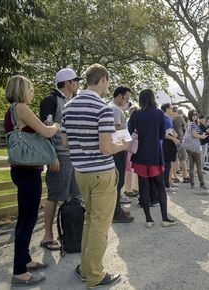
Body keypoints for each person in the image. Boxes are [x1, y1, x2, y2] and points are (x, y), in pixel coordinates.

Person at [61, 64, 129, 288]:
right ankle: (95, 275)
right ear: (103, 79)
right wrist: (125, 144)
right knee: (100, 224)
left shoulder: (68, 107)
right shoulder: (103, 107)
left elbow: (64, 142)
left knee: (90, 220)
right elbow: (106, 148)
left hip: (81, 172)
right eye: (108, 81)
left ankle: (85, 267)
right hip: (102, 172)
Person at [4, 75, 60, 287]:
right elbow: (46, 132)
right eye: (30, 88)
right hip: (27, 172)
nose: (32, 92)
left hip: (23, 170)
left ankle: (25, 260)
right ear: (21, 89)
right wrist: (54, 125)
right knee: (27, 221)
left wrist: (44, 127)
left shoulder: (14, 110)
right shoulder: (21, 108)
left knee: (24, 219)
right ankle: (19, 272)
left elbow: (35, 131)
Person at [38, 68, 83, 251]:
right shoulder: (50, 100)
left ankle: (68, 234)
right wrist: (52, 156)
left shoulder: (69, 101)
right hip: (59, 157)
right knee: (55, 197)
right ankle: (47, 236)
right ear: (67, 83)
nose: (78, 84)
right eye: (75, 81)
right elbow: (45, 131)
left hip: (71, 157)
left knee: (74, 196)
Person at [128, 89, 177, 228]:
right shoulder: (159, 113)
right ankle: (165, 218)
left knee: (143, 188)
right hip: (155, 155)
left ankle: (148, 220)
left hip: (140, 156)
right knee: (160, 186)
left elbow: (129, 131)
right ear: (152, 98)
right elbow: (162, 135)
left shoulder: (136, 114)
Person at [110, 85, 135, 223]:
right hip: (118, 150)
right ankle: (115, 213)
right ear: (119, 96)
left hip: (119, 149)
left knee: (119, 182)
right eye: (126, 98)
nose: (127, 101)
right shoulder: (114, 109)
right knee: (117, 182)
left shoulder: (117, 109)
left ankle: (117, 210)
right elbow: (115, 129)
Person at [186, 109, 209, 189]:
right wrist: (201, 136)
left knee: (191, 166)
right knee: (199, 166)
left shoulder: (188, 123)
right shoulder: (192, 124)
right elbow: (194, 135)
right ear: (190, 115)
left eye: (196, 114)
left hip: (189, 147)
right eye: (193, 114)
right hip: (195, 147)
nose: (195, 116)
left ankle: (192, 183)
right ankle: (202, 183)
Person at [160, 103, 180, 191]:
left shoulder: (168, 118)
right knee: (167, 165)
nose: (172, 110)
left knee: (169, 165)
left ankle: (168, 183)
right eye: (171, 108)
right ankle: (166, 186)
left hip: (168, 144)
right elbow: (164, 134)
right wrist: (174, 138)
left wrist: (175, 136)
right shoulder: (164, 118)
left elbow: (171, 131)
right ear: (167, 109)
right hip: (166, 144)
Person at [172, 108, 190, 183]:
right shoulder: (180, 117)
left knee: (175, 159)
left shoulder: (170, 118)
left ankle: (175, 176)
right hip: (181, 139)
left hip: (173, 139)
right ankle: (185, 176)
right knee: (182, 159)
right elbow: (185, 126)